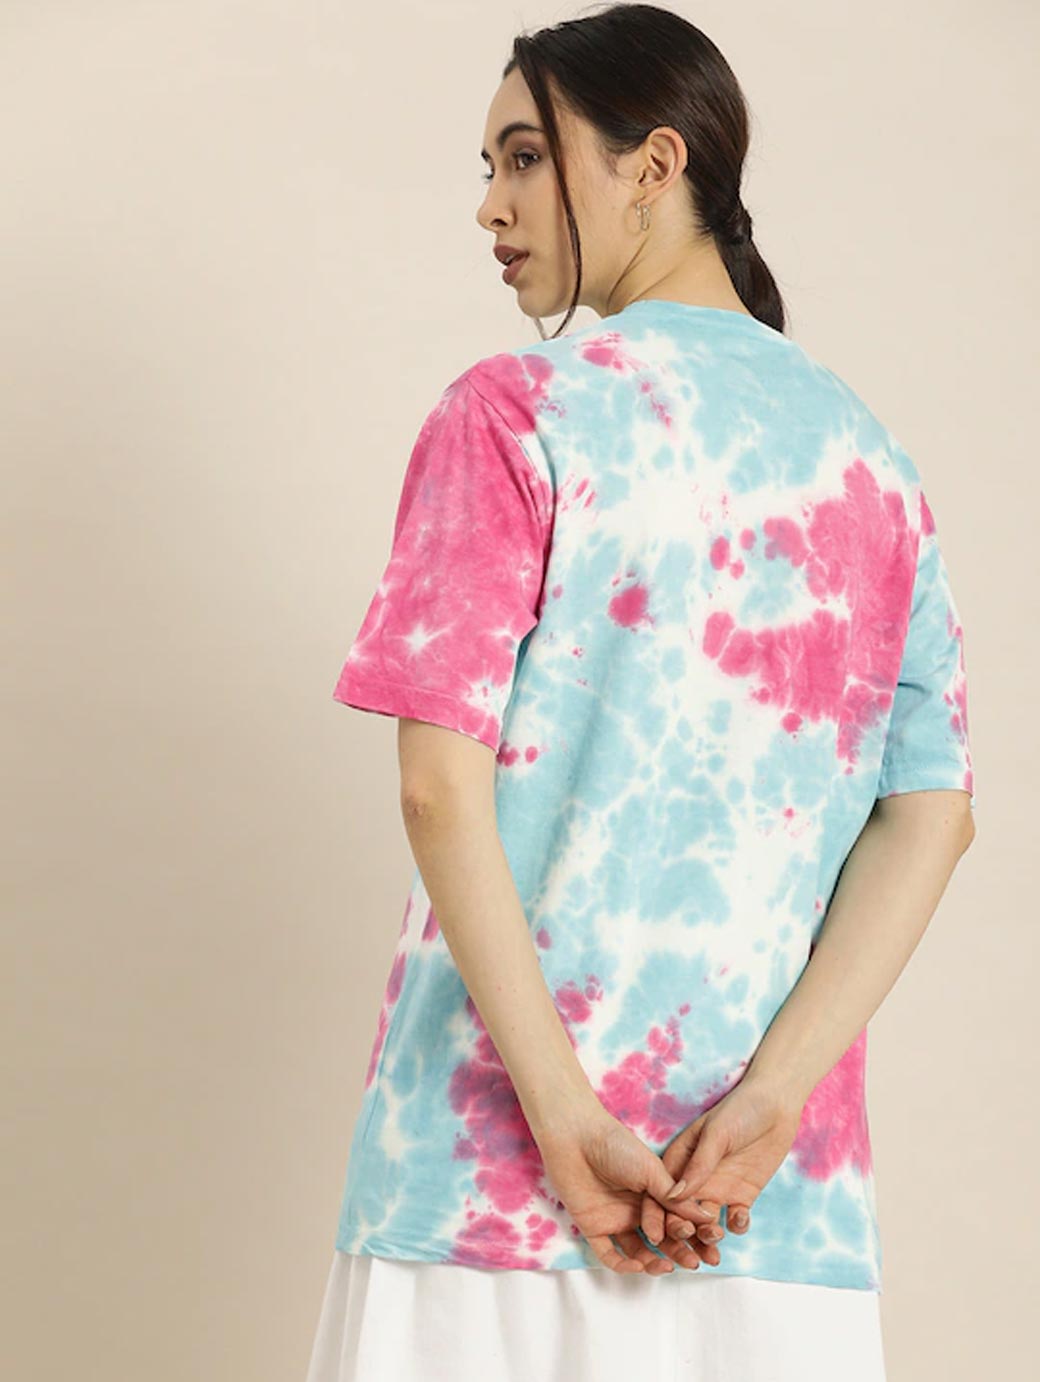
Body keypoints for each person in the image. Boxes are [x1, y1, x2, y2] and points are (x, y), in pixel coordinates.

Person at [305, 5, 976, 1379]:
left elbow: (439, 789)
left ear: (655, 164)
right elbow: (934, 815)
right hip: (765, 1208)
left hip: (486, 1187)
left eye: (523, 158)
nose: (490, 206)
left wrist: (563, 1118)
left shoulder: (513, 413)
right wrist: (772, 1100)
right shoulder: (871, 463)